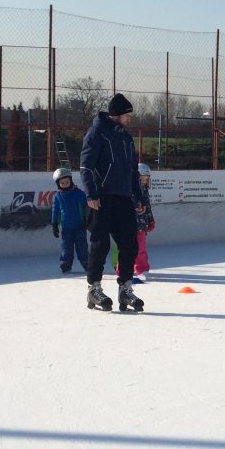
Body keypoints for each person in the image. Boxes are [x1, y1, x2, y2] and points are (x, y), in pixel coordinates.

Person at [80, 93, 147, 313]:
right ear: (117, 114)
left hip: (123, 198)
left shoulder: (126, 138)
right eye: (127, 114)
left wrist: (138, 197)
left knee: (129, 244)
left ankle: (125, 290)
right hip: (100, 198)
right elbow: (86, 166)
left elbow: (132, 171)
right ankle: (94, 289)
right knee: (100, 245)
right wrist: (91, 195)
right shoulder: (97, 133)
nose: (130, 118)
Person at [110, 163, 156, 281]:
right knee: (125, 248)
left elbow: (148, 206)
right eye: (142, 179)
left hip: (141, 226)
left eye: (146, 179)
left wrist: (150, 219)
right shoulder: (127, 190)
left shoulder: (144, 190)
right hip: (127, 224)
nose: (144, 182)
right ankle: (123, 270)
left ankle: (141, 269)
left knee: (140, 248)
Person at [51, 167, 88, 274]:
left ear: (71, 181)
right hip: (66, 228)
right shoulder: (57, 196)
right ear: (58, 184)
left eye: (67, 182)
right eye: (62, 183)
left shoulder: (79, 193)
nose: (65, 184)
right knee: (66, 246)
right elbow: (55, 211)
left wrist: (86, 220)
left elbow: (86, 207)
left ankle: (86, 262)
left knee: (82, 246)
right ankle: (66, 262)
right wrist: (54, 224)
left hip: (80, 226)